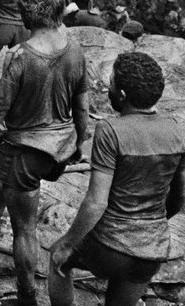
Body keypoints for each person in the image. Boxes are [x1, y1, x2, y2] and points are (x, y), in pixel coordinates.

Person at [0, 0, 89, 306]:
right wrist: (78, 141)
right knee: (18, 186)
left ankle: (26, 297)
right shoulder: (75, 49)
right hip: (60, 149)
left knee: (25, 230)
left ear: (25, 14)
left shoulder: (21, 57)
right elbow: (82, 104)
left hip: (26, 151)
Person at [48, 51, 185, 306]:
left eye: (111, 84)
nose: (108, 89)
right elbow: (178, 198)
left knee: (58, 257)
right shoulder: (177, 132)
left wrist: (68, 243)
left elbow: (96, 202)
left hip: (110, 245)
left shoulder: (109, 130)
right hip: (152, 252)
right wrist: (151, 225)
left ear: (121, 95)